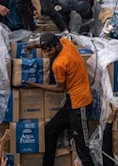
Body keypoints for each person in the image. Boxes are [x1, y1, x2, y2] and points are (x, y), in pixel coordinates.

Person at [24, 33, 93, 166]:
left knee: (81, 144)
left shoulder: (59, 64)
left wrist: (36, 85)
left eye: (49, 50)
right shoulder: (66, 43)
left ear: (56, 45)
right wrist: (33, 45)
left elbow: (60, 88)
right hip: (71, 101)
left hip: (81, 103)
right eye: (44, 50)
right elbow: (50, 42)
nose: (46, 54)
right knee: (50, 129)